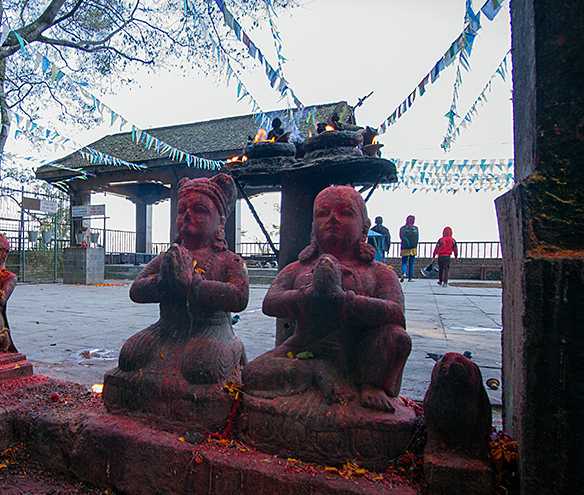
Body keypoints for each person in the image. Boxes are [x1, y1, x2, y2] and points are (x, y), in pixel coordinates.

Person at [242, 186, 410, 413]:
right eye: (323, 213)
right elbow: (270, 302)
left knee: (396, 337)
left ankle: (371, 385)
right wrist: (306, 297)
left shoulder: (378, 272)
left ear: (363, 227)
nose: (332, 219)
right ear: (313, 228)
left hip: (360, 351)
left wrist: (345, 302)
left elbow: (395, 312)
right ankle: (317, 370)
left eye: (345, 213)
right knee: (252, 373)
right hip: (306, 347)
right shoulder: (298, 268)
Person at [115, 174, 249, 385]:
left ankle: (233, 347)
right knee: (129, 356)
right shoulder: (169, 258)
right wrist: (162, 283)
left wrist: (193, 286)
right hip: (167, 327)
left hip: (210, 329)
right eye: (181, 210)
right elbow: (136, 290)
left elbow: (239, 297)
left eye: (199, 210)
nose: (187, 215)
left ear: (220, 220)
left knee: (202, 367)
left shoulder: (228, 260)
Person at [399, 215, 419, 282]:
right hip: (413, 248)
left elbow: (401, 237)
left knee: (404, 262)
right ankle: (410, 278)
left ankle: (403, 273)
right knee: (411, 263)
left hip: (404, 248)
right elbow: (417, 238)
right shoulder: (415, 228)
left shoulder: (402, 228)